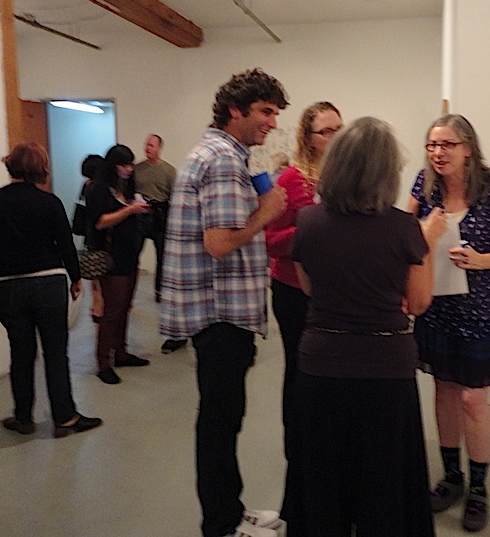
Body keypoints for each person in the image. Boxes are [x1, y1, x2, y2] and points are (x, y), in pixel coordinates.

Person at [285, 117, 445, 537]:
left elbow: (309, 289)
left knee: (324, 478)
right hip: (385, 368)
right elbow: (419, 303)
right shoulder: (404, 228)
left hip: (321, 364)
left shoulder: (309, 222)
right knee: (384, 481)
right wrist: (427, 243)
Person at [159, 68, 289, 537]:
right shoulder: (223, 161)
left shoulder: (221, 154)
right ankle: (220, 524)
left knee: (223, 419)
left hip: (218, 314)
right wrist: (267, 213)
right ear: (236, 110)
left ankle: (229, 511)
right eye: (265, 111)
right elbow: (219, 243)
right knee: (219, 422)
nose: (272, 122)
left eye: (275, 113)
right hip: (220, 315)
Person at [406, 114, 490, 532]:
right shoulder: (424, 186)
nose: (438, 153)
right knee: (444, 391)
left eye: (448, 145)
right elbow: (403, 235)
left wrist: (481, 260)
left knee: (473, 399)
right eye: (432, 145)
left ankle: (478, 486)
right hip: (438, 307)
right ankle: (452, 477)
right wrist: (422, 233)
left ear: (469, 149)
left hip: (484, 311)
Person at [0, 142, 102, 438]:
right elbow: (66, 245)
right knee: (55, 353)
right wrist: (76, 278)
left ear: (11, 165)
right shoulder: (49, 202)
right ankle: (65, 418)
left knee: (21, 353)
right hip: (49, 283)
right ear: (40, 168)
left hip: (8, 287)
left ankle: (23, 417)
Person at [264, 101, 342, 518]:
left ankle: (328, 449)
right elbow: (271, 241)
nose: (334, 137)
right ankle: (298, 451)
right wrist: (315, 229)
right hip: (294, 291)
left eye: (338, 129)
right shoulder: (290, 180)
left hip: (334, 293)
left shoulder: (345, 177)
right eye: (325, 131)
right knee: (299, 372)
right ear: (308, 138)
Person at [86, 144, 151, 385]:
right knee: (111, 311)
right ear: (113, 166)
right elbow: (100, 222)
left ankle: (121, 353)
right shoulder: (99, 189)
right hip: (111, 258)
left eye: (131, 164)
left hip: (129, 255)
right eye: (124, 165)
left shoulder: (126, 188)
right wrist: (130, 210)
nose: (129, 169)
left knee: (125, 307)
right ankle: (103, 361)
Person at [134, 134, 176, 308]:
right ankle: (130, 291)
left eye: (151, 145)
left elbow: (174, 196)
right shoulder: (137, 169)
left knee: (162, 256)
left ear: (159, 148)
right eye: (146, 145)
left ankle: (160, 291)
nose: (148, 148)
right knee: (133, 253)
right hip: (140, 215)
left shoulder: (169, 171)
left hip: (160, 215)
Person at [78, 154, 105, 323]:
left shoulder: (86, 186)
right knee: (101, 270)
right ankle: (100, 305)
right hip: (99, 234)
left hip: (89, 234)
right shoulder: (100, 188)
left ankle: (96, 305)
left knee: (94, 272)